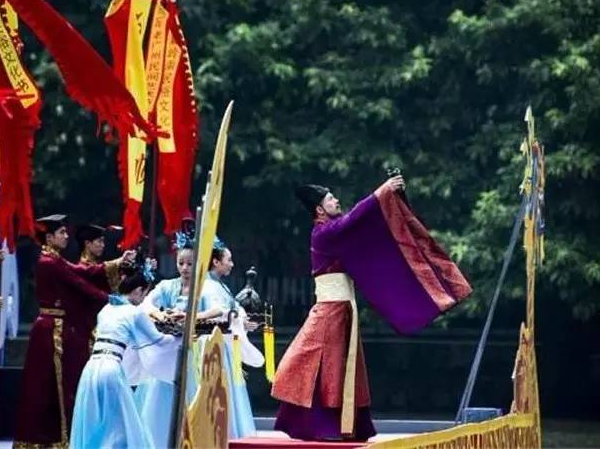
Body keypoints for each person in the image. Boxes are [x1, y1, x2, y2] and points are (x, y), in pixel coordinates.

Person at [272, 176, 472, 441]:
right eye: (331, 199)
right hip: (329, 312)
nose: (336, 201)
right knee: (323, 366)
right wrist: (382, 192)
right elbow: (355, 218)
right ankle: (319, 427)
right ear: (319, 209)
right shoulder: (324, 233)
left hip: (344, 311)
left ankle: (344, 427)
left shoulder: (336, 233)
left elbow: (366, 231)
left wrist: (393, 198)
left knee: (342, 368)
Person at [13, 214, 136, 448]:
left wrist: (118, 262)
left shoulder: (55, 259)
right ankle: (49, 439)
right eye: (61, 233)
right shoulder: (48, 262)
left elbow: (82, 274)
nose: (66, 236)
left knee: (55, 385)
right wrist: (108, 299)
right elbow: (78, 282)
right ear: (49, 238)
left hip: (57, 329)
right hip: (51, 330)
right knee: (48, 386)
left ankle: (58, 438)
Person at [69, 263, 179, 448]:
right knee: (120, 425)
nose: (143, 300)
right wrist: (179, 337)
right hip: (111, 368)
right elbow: (159, 340)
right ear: (138, 290)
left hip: (91, 368)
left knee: (92, 420)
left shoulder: (105, 310)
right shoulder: (134, 312)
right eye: (144, 294)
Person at [134, 230, 220, 449]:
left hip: (193, 350)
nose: (185, 268)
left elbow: (218, 310)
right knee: (159, 400)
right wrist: (162, 315)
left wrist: (191, 315)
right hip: (167, 351)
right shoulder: (167, 286)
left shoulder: (205, 286)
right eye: (181, 263)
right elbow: (146, 305)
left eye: (190, 264)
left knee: (190, 397)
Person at [201, 237, 264, 438]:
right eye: (228, 260)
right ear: (216, 262)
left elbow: (234, 310)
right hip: (214, 346)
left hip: (225, 346)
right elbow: (220, 315)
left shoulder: (220, 286)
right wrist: (238, 320)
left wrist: (242, 321)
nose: (232, 264)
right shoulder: (209, 286)